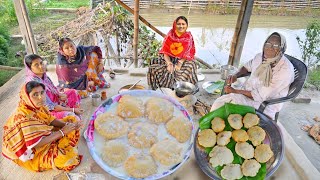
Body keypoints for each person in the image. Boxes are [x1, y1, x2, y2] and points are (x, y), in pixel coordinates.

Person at [210, 32, 295, 119]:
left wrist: (235, 91)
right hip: (247, 92)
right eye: (268, 44)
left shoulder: (284, 70)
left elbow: (259, 95)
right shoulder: (259, 57)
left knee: (226, 106)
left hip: (264, 103)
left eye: (276, 45)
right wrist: (236, 75)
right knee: (220, 103)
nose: (270, 48)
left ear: (282, 49)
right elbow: (247, 67)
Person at [2, 81, 83, 172]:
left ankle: (62, 142)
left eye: (42, 92)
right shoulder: (24, 118)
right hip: (28, 151)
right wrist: (62, 132)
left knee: (72, 120)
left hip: (39, 135)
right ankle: (58, 148)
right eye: (35, 95)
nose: (41, 97)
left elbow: (50, 119)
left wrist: (68, 125)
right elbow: (36, 144)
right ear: (27, 97)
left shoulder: (37, 106)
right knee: (68, 158)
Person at [24, 54, 83, 120]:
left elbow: (53, 89)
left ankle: (75, 113)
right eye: (36, 65)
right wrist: (72, 110)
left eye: (41, 63)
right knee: (71, 116)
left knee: (73, 92)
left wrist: (59, 95)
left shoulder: (44, 77)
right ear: (30, 68)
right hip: (48, 112)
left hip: (56, 102)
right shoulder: (34, 84)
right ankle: (73, 114)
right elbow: (50, 107)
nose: (41, 66)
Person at [147, 16, 198, 90]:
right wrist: (169, 63)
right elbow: (165, 51)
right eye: (179, 24)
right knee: (153, 62)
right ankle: (156, 87)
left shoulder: (188, 36)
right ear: (175, 24)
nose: (181, 26)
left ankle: (183, 87)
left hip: (182, 59)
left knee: (192, 64)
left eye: (183, 24)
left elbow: (188, 53)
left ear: (187, 25)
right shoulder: (170, 35)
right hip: (169, 58)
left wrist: (179, 63)